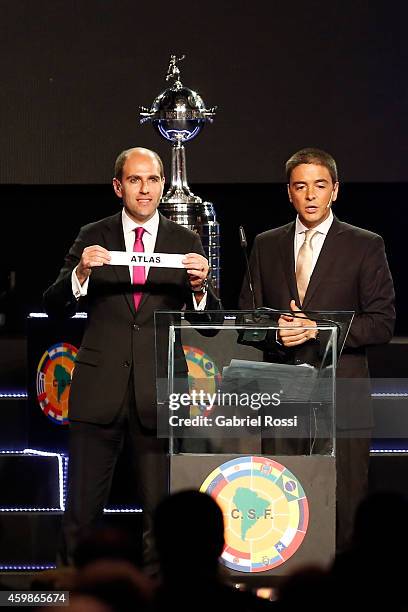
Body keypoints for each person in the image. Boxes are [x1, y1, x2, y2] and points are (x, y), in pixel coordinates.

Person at [43, 147, 220, 566]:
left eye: (154, 179)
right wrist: (81, 273)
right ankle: (75, 598)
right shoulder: (93, 235)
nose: (146, 189)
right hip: (97, 391)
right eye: (136, 180)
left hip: (158, 392)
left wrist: (199, 287)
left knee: (162, 519)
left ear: (163, 184)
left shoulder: (186, 240)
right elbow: (53, 305)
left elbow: (210, 323)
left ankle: (162, 597)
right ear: (118, 186)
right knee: (81, 515)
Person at [239, 147, 395, 549]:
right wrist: (276, 332)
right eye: (301, 186)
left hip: (343, 391)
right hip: (282, 393)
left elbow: (381, 322)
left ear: (335, 191)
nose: (310, 195)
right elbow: (248, 319)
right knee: (284, 502)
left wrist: (319, 330)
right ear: (289, 193)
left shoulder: (365, 244)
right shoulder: (266, 244)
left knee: (345, 501)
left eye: (320, 186)